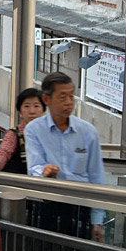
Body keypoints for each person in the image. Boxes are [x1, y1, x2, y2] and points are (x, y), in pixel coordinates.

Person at [25, 72, 105, 242]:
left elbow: (97, 177)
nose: (69, 102)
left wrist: (97, 220)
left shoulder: (88, 132)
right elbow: (34, 167)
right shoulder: (34, 129)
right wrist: (44, 171)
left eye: (71, 96)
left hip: (80, 207)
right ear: (46, 99)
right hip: (47, 204)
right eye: (63, 97)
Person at [0, 88, 44, 173]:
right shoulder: (14, 134)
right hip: (18, 183)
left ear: (43, 109)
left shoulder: (49, 133)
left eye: (36, 106)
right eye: (27, 106)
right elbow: (4, 152)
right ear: (20, 111)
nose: (32, 111)